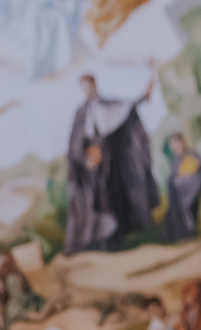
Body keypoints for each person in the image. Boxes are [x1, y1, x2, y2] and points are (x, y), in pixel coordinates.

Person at [64, 69, 158, 254]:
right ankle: (92, 243)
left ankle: (111, 242)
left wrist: (145, 95)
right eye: (84, 87)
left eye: (89, 85)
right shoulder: (81, 111)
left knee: (109, 199)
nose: (87, 89)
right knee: (91, 203)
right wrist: (85, 159)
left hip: (109, 161)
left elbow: (127, 107)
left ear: (95, 85)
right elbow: (75, 141)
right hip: (89, 166)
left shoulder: (107, 104)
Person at [162, 133, 201, 240]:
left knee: (188, 208)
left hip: (191, 189)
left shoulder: (192, 154)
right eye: (172, 145)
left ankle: (189, 231)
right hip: (177, 192)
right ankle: (179, 234)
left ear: (182, 142)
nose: (174, 147)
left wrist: (187, 177)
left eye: (176, 143)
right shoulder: (174, 160)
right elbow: (172, 177)